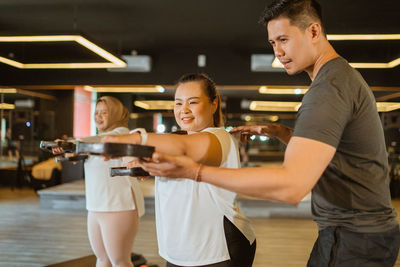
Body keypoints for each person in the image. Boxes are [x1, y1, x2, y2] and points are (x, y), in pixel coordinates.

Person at [134, 1, 400, 266]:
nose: (278, 52)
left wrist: (194, 171)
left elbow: (292, 186)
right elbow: (335, 153)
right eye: (273, 43)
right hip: (354, 231)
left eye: (284, 39)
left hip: (355, 236)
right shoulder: (336, 79)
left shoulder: (329, 89)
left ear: (314, 31)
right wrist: (283, 133)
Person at [103, 73, 256, 267]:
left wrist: (135, 139)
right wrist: (149, 167)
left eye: (193, 102)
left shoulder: (219, 137)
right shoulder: (178, 139)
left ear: (214, 104)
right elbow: (181, 164)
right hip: (178, 249)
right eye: (178, 103)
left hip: (217, 250)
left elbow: (184, 147)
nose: (184, 110)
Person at [53, 96, 144, 267]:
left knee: (120, 261)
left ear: (116, 114)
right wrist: (71, 151)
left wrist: (72, 144)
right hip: (95, 206)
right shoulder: (93, 140)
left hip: (119, 206)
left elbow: (103, 141)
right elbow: (92, 144)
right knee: (102, 259)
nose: (99, 116)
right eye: (96, 112)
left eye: (104, 113)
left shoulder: (122, 134)